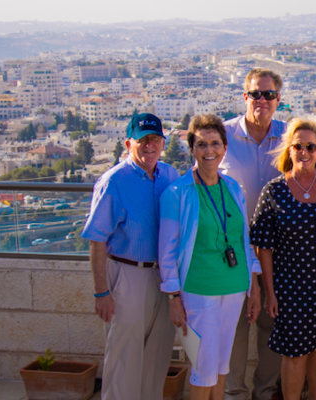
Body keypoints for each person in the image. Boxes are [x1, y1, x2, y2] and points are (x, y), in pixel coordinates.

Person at [159, 114, 262, 400]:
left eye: (215, 143)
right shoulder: (177, 193)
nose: (209, 151)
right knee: (202, 369)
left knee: (220, 366)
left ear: (224, 147)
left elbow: (243, 241)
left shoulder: (233, 189)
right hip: (198, 290)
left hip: (235, 287)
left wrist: (254, 287)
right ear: (191, 148)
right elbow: (166, 252)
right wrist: (172, 297)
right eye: (201, 144)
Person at [249, 118, 316, 400]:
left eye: (310, 146)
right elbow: (263, 247)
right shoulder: (274, 191)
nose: (304, 152)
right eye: (298, 146)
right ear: (288, 150)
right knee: (294, 352)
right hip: (289, 288)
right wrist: (269, 292)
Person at [81, 113, 179, 400]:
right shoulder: (113, 181)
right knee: (124, 358)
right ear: (128, 143)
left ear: (163, 143)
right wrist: (101, 292)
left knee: (158, 355)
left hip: (164, 277)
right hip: (127, 274)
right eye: (142, 140)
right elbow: (97, 239)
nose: (149, 145)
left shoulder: (171, 175)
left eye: (155, 139)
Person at [220, 68, 287, 400]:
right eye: (256, 94)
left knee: (270, 326)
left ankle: (265, 392)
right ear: (245, 97)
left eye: (269, 94)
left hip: (277, 255)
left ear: (278, 99)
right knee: (234, 329)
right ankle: (234, 395)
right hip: (230, 252)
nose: (262, 100)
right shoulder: (223, 136)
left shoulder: (291, 138)